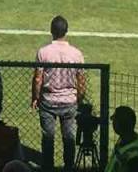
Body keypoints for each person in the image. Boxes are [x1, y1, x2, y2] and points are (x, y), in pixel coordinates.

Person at [32, 16, 86, 172]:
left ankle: (48, 167)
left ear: (51, 31)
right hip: (69, 101)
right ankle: (69, 166)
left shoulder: (43, 52)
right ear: (66, 31)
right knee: (69, 138)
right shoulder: (76, 54)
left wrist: (35, 97)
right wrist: (79, 99)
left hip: (48, 100)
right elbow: (81, 79)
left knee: (48, 138)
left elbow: (37, 78)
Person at [107, 106, 138, 172]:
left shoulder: (135, 157)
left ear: (119, 125)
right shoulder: (125, 137)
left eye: (114, 121)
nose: (113, 123)